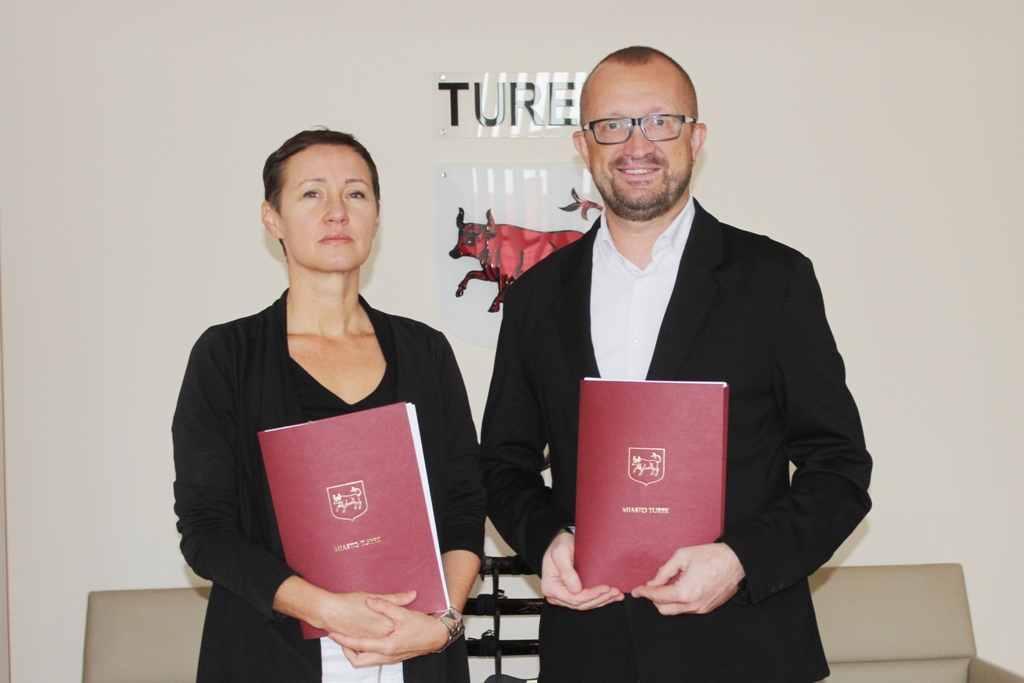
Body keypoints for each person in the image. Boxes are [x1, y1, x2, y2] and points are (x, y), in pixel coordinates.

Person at [480, 46, 872, 683]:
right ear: (583, 146)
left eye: (660, 121)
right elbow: (503, 464)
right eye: (612, 125)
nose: (637, 145)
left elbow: (839, 468)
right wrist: (548, 540)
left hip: (747, 651)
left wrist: (740, 560)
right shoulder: (536, 299)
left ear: (696, 137)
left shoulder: (775, 281)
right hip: (590, 651)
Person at [172, 129, 486, 683]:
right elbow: (206, 532)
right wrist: (327, 610)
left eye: (356, 194)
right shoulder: (227, 356)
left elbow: (463, 506)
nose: (337, 211)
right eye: (312, 193)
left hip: (418, 650)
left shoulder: (425, 351)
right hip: (269, 655)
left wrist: (444, 622)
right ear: (273, 218)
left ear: (377, 216)